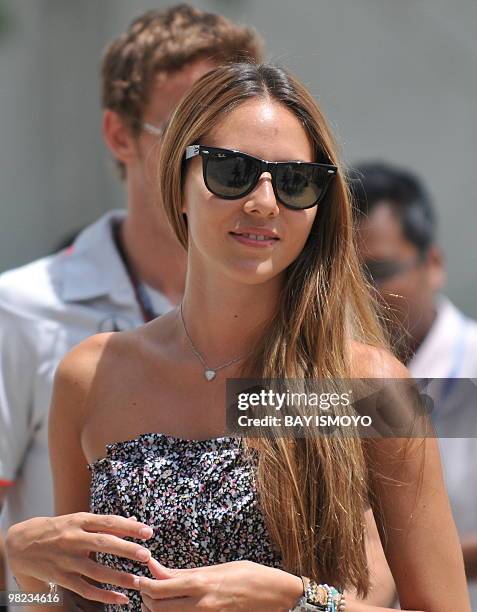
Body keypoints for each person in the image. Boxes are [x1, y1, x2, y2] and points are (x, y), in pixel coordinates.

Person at [6, 63, 470, 612]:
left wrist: (296, 601)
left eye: (296, 181)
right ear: (178, 184)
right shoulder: (92, 374)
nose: (264, 203)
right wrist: (24, 567)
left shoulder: (365, 389)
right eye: (231, 172)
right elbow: (68, 605)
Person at [0, 2, 263, 595]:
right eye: (192, 136)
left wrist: (302, 599)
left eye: (239, 140)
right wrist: (24, 585)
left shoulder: (318, 332)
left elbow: (378, 560)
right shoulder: (19, 310)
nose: (222, 164)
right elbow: (28, 573)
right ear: (120, 135)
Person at [353, 161, 477, 608]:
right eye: (342, 275)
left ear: (434, 264)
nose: (359, 293)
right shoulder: (312, 383)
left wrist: (420, 564)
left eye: (378, 271)